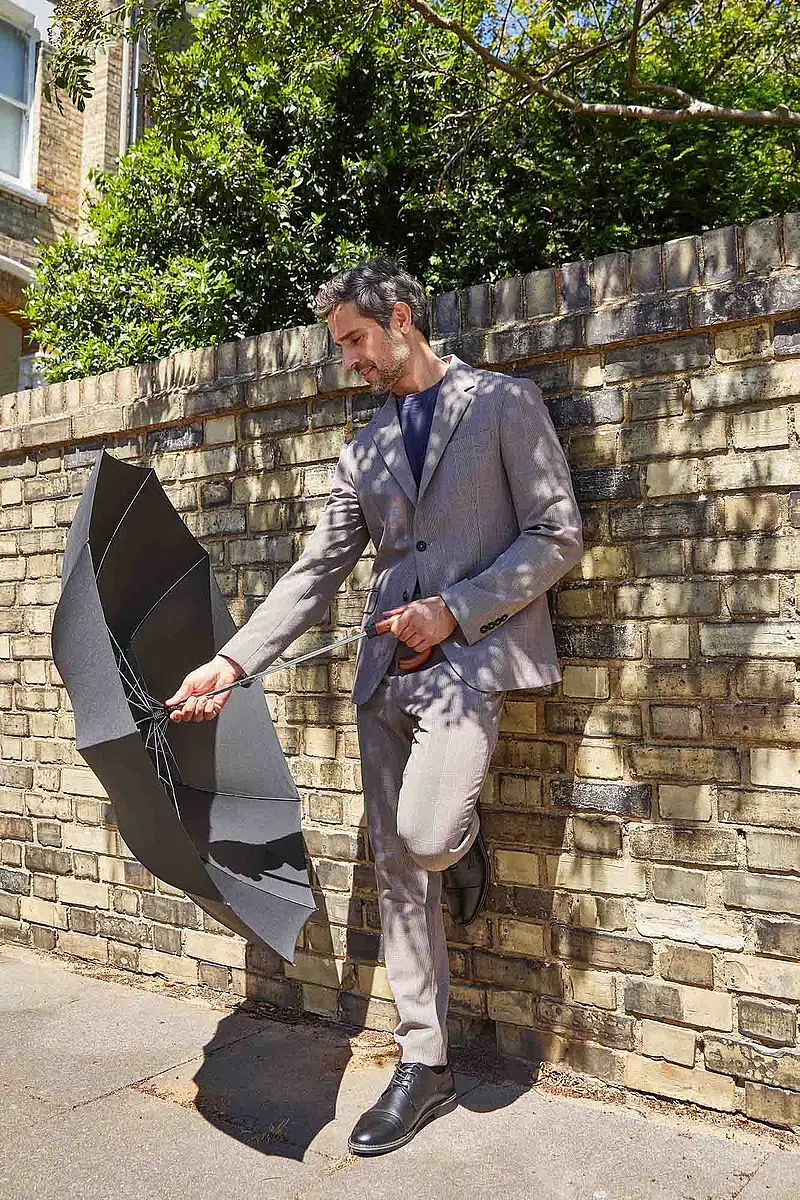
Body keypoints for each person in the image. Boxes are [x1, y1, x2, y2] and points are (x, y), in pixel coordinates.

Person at [166, 259, 583, 1156]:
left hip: (468, 666)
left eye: (355, 339)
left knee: (427, 838)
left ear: (400, 318)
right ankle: (423, 1062)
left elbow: (557, 534)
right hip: (383, 675)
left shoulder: (503, 404)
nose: (349, 358)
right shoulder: (362, 448)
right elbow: (315, 572)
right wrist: (230, 663)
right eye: (341, 346)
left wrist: (456, 608)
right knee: (398, 868)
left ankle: (457, 840)